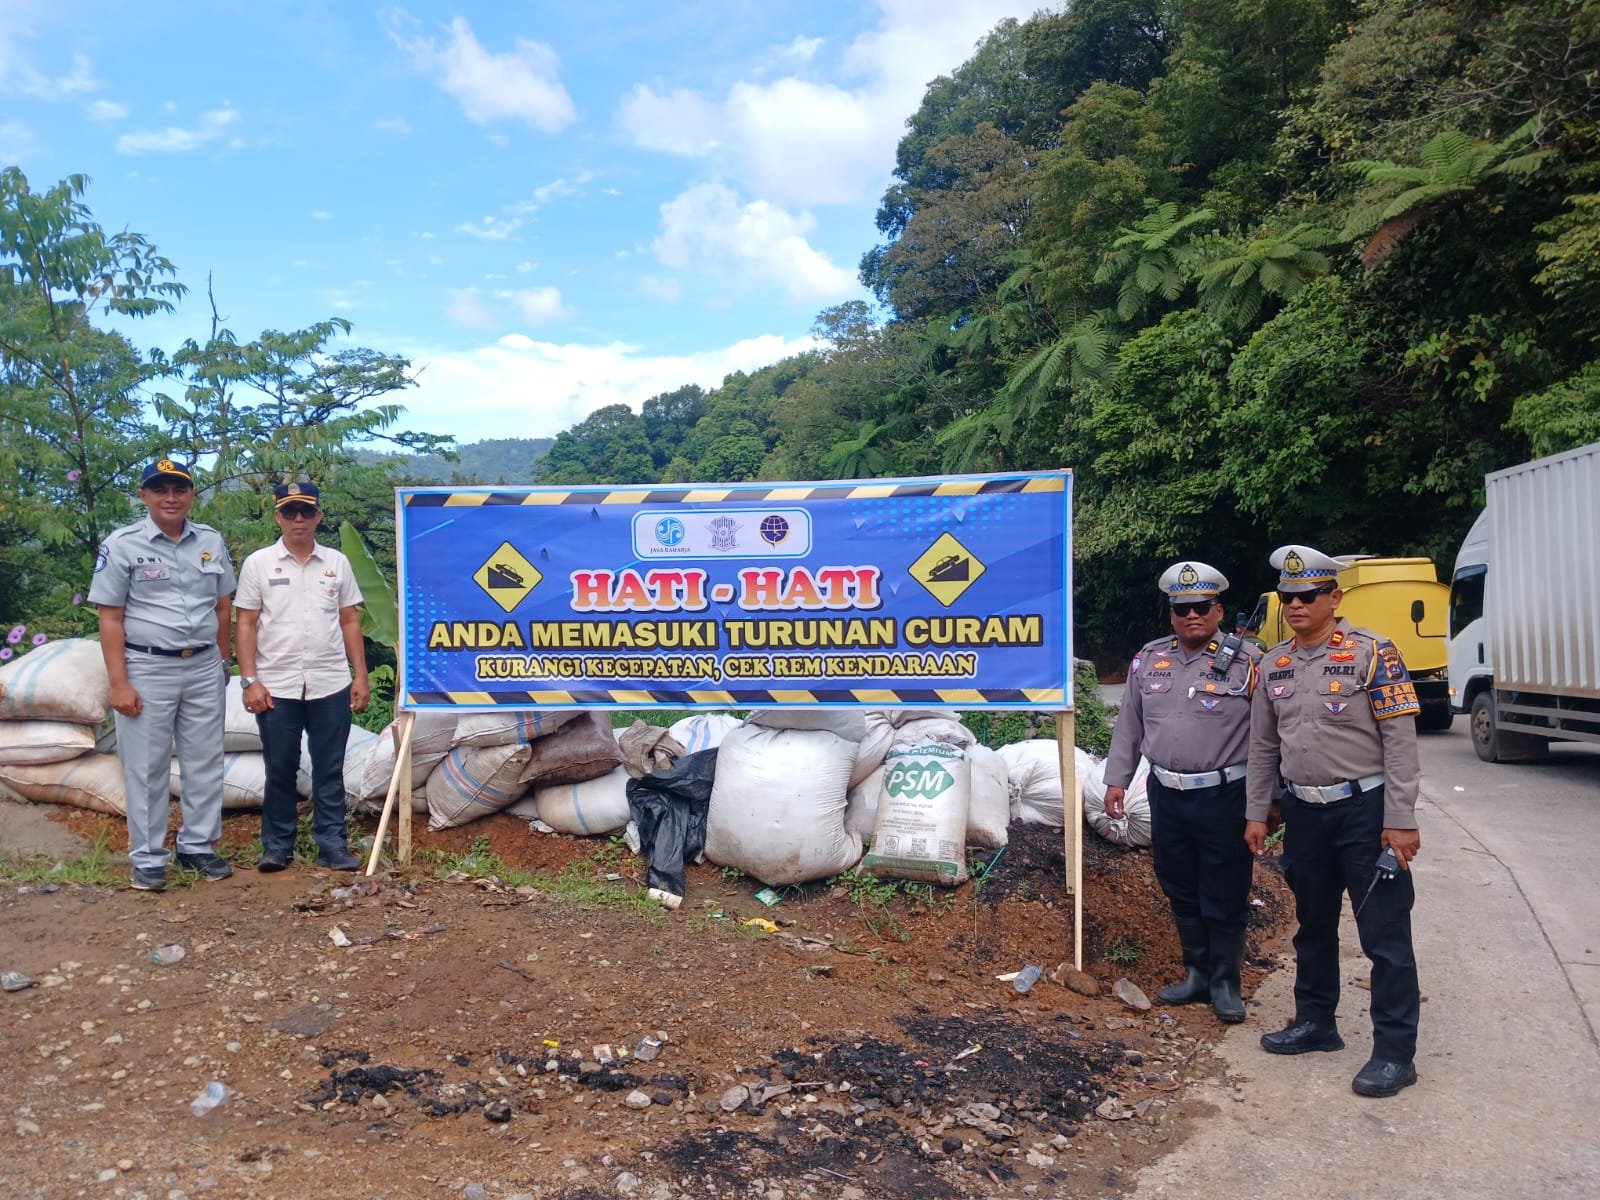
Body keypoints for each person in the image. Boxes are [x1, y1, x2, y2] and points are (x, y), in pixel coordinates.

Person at [1245, 544, 1423, 1098]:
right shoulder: (1273, 663)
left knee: (1384, 936)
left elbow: (1399, 742)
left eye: (1308, 595)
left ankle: (1395, 1054)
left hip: (1364, 813)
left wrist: (1401, 819)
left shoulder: (1374, 654)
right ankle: (1316, 1023)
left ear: (1334, 597)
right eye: (1288, 596)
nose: (1296, 604)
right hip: (1304, 813)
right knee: (1313, 926)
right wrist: (1258, 811)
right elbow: (1261, 747)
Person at [1104, 561, 1262, 1023]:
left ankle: (1226, 982)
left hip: (1224, 795)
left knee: (1226, 887)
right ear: (1171, 612)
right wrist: (1117, 778)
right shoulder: (1149, 659)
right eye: (1182, 608)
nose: (1192, 615)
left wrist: (1266, 800)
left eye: (1201, 607)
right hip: (1166, 794)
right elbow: (1129, 726)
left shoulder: (1248, 663)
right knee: (1179, 883)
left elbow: (1268, 737)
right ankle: (1196, 972)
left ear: (1219, 609)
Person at [89, 459, 236, 892]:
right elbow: (110, 617)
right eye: (160, 490)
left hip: (204, 664)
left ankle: (198, 846)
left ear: (191, 495)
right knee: (147, 766)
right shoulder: (122, 545)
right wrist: (119, 682)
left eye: (179, 489)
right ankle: (149, 857)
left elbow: (223, 604)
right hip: (148, 666)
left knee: (205, 760)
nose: (170, 498)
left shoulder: (209, 540)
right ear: (144, 496)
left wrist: (222, 660)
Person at [233, 482, 369, 872]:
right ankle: (277, 847)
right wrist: (249, 680)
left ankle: (332, 845)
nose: (298, 519)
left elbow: (348, 620)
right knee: (280, 767)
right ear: (277, 515)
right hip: (276, 685)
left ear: (318, 517)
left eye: (305, 512)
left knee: (329, 767)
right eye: (289, 511)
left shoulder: (336, 563)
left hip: (329, 681)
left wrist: (359, 675)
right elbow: (246, 623)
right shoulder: (259, 563)